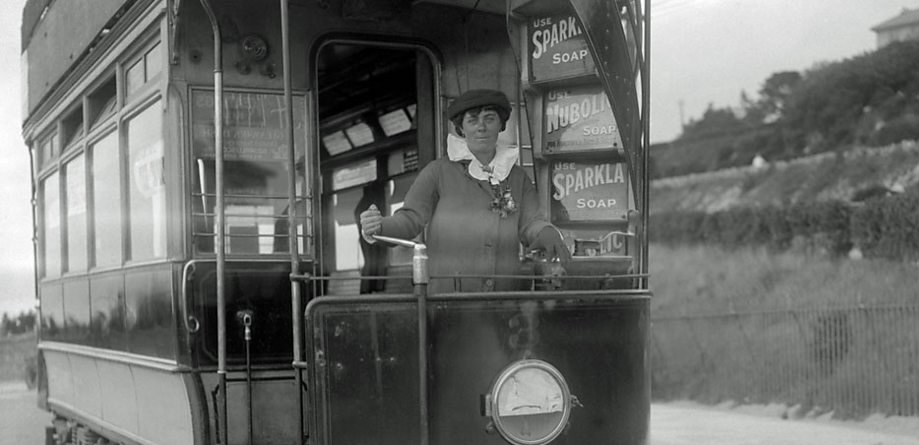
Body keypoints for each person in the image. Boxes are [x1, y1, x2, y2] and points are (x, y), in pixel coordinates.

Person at [359, 89, 569, 293]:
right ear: (461, 129)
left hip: (504, 298)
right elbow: (410, 219)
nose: (481, 127)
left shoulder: (517, 178)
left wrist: (545, 231)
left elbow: (530, 224)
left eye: (489, 118)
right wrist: (379, 227)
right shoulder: (437, 172)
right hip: (450, 299)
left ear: (501, 125)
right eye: (472, 120)